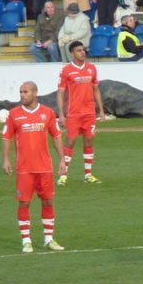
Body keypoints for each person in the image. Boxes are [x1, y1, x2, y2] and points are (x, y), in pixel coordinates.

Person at [2, 81, 67, 254]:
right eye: (21, 92)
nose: (22, 95)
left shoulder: (47, 113)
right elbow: (7, 137)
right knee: (24, 203)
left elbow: (56, 136)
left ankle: (48, 239)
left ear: (35, 93)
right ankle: (26, 241)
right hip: (24, 169)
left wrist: (62, 160)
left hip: (45, 167)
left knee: (48, 201)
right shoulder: (14, 114)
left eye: (25, 92)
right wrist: (6, 159)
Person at [56, 41, 106, 185]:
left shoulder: (91, 68)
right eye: (79, 51)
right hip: (73, 113)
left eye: (83, 50)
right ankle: (63, 175)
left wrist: (101, 111)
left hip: (89, 113)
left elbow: (96, 89)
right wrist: (61, 114)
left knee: (89, 140)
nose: (82, 53)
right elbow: (61, 93)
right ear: (72, 54)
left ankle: (88, 175)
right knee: (71, 141)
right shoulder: (66, 70)